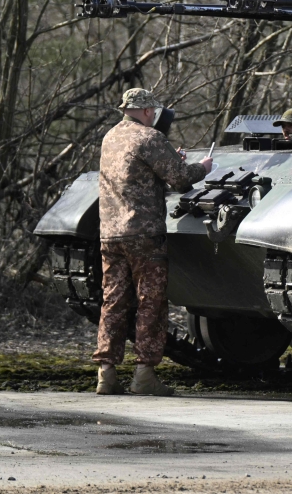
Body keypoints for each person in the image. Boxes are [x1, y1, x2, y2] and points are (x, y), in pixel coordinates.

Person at [94, 88, 212, 396]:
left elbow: (136, 173)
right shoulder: (150, 137)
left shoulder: (110, 137)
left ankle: (105, 373)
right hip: (144, 236)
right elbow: (181, 178)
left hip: (110, 233)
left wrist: (172, 162)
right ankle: (144, 375)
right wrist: (203, 167)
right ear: (147, 111)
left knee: (113, 301)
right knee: (151, 303)